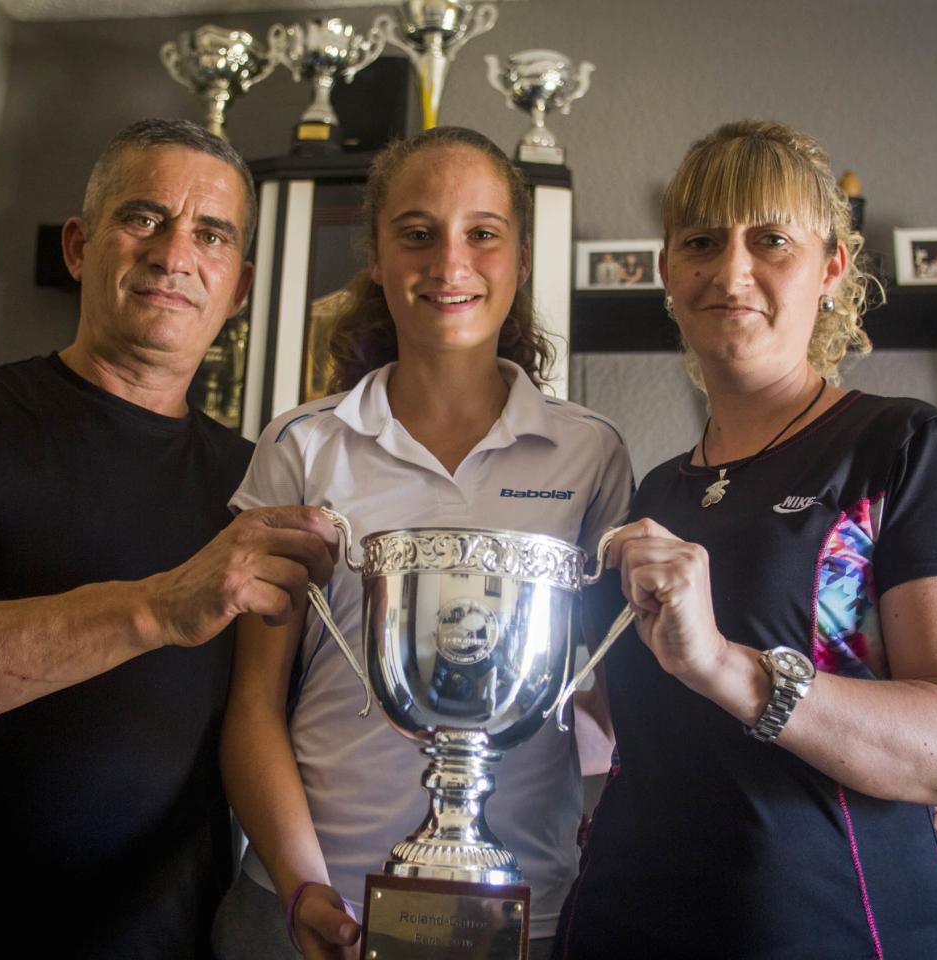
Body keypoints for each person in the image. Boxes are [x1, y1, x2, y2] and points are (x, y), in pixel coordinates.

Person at [0, 118, 339, 958]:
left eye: (210, 234)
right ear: (78, 245)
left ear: (238, 288)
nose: (175, 254)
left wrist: (305, 886)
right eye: (144, 218)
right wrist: (155, 607)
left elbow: (265, 724)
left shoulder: (260, 483)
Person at [553, 119, 937, 959]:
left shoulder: (903, 449)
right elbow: (614, 732)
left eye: (770, 240)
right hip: (622, 927)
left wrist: (726, 665)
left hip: (838, 931)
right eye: (701, 241)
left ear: (832, 266)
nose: (731, 271)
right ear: (667, 274)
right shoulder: (652, 493)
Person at [213, 126, 636, 960]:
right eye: (416, 233)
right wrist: (304, 887)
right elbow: (254, 708)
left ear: (518, 256)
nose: (449, 264)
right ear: (375, 254)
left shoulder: (591, 453)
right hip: (305, 901)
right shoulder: (302, 445)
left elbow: (615, 701)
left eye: (482, 233)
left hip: (527, 907)